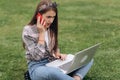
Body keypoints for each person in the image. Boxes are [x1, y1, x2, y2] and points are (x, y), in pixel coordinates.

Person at [22, 0, 93, 80]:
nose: (51, 21)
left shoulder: (51, 28)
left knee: (87, 59)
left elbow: (54, 48)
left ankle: (76, 78)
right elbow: (37, 57)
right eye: (48, 17)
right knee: (53, 72)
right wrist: (41, 34)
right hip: (37, 67)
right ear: (39, 16)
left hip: (53, 62)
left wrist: (57, 54)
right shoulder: (28, 30)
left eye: (53, 17)